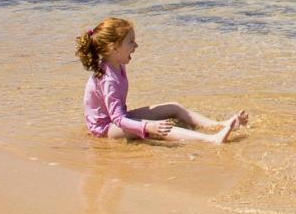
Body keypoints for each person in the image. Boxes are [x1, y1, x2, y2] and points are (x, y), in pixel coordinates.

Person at [76, 17, 248, 144]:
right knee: (161, 128)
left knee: (174, 107)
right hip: (105, 129)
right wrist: (147, 127)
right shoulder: (108, 79)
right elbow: (119, 119)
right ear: (113, 48)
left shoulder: (117, 63)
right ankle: (211, 140)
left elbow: (119, 115)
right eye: (131, 42)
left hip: (117, 119)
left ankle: (218, 125)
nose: (136, 46)